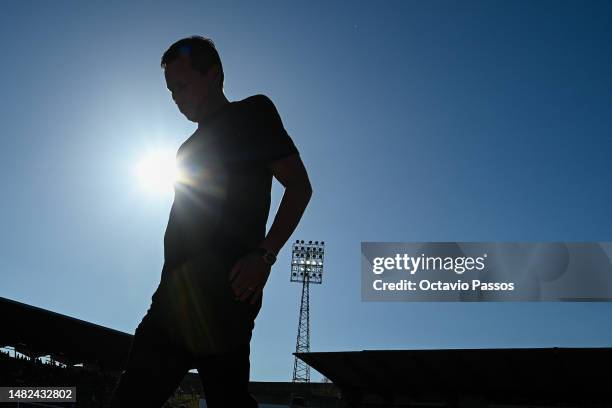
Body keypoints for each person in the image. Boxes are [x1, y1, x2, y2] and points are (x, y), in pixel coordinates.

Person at [109, 36, 312, 407]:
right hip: (173, 298)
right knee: (131, 398)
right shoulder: (185, 149)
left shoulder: (253, 113)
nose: (176, 97)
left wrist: (265, 255)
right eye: (170, 90)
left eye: (182, 86)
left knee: (227, 400)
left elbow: (299, 187)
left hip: (226, 293)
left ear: (214, 75)